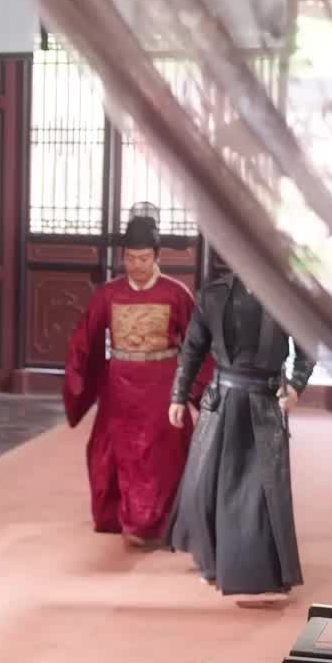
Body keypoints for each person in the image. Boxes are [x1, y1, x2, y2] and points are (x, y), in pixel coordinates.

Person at [167, 263, 314, 596]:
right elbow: (192, 351)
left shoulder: (288, 296)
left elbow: (307, 348)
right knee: (208, 485)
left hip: (265, 402)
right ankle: (212, 562)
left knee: (260, 490)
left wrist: (295, 386)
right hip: (221, 400)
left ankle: (260, 571)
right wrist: (178, 395)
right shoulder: (212, 295)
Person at [63, 213, 203, 547]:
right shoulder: (108, 294)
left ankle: (157, 520)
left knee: (162, 453)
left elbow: (197, 344)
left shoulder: (175, 293)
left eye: (143, 258)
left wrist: (196, 389)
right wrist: (80, 381)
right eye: (130, 258)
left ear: (157, 256)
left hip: (162, 384)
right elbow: (84, 341)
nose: (136, 265)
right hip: (120, 385)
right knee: (116, 450)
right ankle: (125, 516)